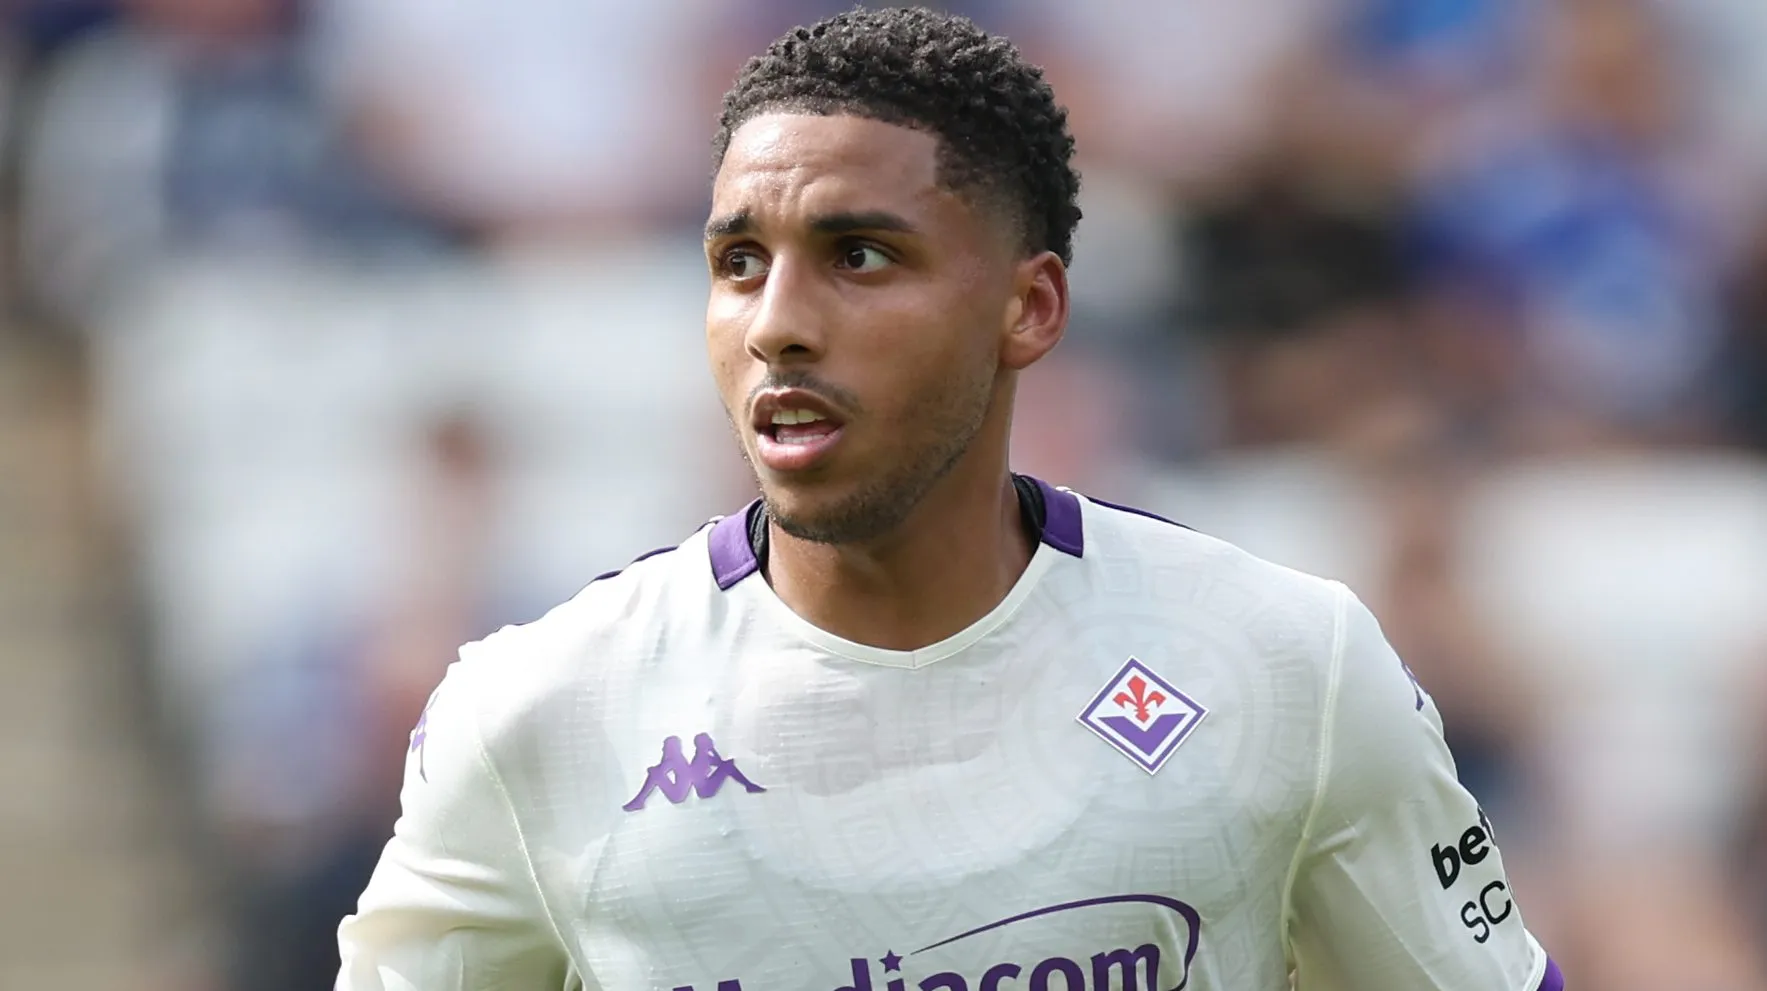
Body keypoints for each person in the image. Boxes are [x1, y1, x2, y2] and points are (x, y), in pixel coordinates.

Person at [336, 8, 1563, 989]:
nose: (779, 326)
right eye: (736, 262)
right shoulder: (537, 712)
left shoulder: (1288, 660)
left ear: (1029, 308)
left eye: (860, 255)